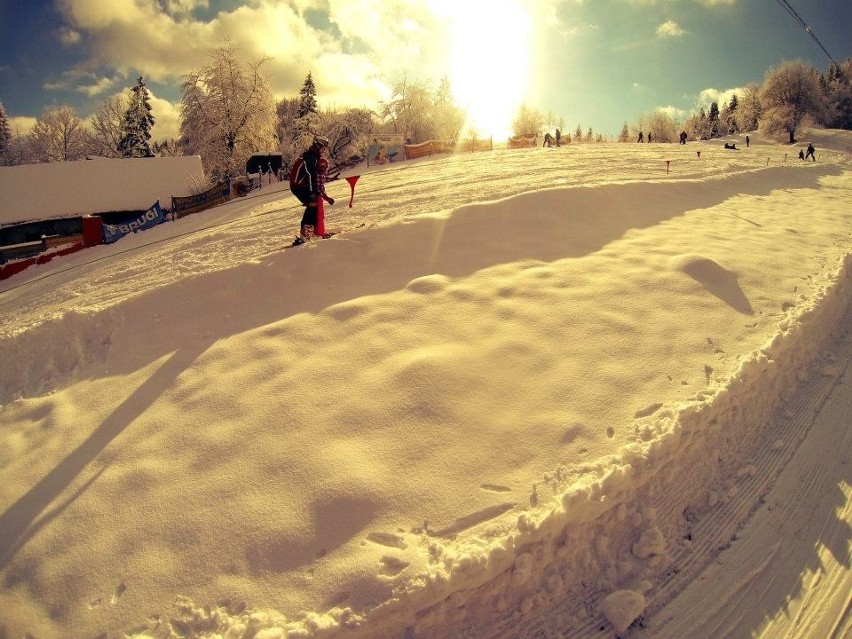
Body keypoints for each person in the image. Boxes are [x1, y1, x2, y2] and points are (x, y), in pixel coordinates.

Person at [289, 136, 335, 244]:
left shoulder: (311, 155)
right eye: (323, 148)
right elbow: (310, 175)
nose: (323, 151)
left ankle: (311, 231)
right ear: (318, 146)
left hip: (301, 184)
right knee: (312, 205)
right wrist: (311, 192)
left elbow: (313, 176)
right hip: (299, 185)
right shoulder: (311, 157)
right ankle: (305, 234)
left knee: (314, 206)